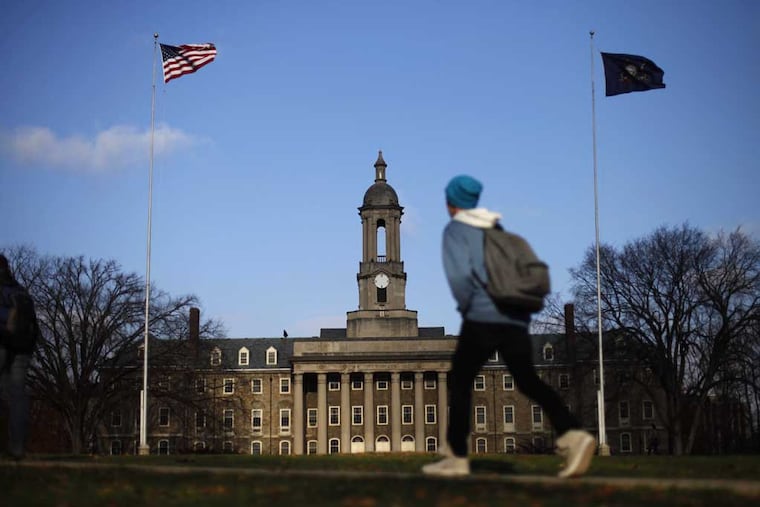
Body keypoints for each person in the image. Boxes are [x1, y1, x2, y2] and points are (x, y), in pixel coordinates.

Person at [422, 175, 596, 479]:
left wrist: (469, 308)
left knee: (460, 382)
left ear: (452, 203)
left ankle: (456, 457)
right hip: (516, 319)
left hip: (483, 317)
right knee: (528, 380)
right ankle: (573, 434)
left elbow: (461, 279)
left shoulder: (456, 231)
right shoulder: (498, 230)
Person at [0, 254, 38, 461]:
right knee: (18, 396)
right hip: (23, 347)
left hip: (4, 343)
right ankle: (17, 447)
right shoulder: (21, 292)